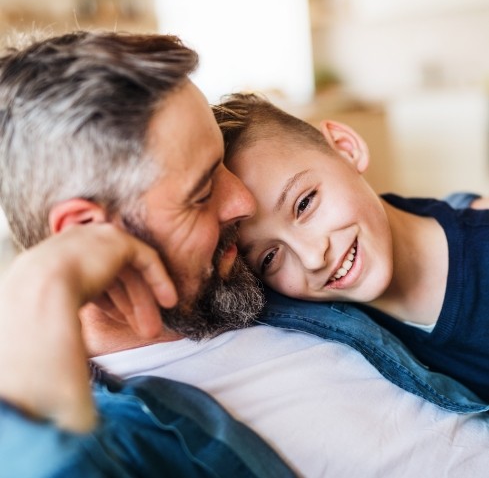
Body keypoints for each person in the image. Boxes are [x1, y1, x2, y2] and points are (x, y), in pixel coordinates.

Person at [1, 31, 489, 478]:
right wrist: (35, 295)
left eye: (221, 163)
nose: (241, 202)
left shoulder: (237, 284)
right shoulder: (121, 434)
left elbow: (403, 239)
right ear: (85, 230)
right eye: (200, 191)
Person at [213, 92, 489, 403]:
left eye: (304, 204)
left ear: (346, 148)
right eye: (270, 257)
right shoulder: (324, 334)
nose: (313, 256)